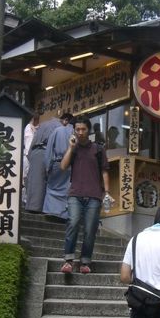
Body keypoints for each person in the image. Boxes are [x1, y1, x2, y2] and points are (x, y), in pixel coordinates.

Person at [59, 115, 111, 274]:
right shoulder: (73, 148)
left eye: (83, 129)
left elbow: (105, 171)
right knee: (73, 223)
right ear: (74, 130)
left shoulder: (98, 149)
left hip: (94, 195)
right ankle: (68, 260)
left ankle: (85, 261)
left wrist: (107, 192)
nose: (80, 132)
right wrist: (70, 147)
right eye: (77, 129)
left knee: (90, 229)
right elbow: (63, 166)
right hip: (75, 194)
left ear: (89, 130)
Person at [24, 114, 61, 212]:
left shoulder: (43, 125)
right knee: (45, 181)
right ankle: (42, 208)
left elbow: (33, 142)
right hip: (47, 151)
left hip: (35, 152)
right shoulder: (59, 126)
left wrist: (31, 155)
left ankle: (33, 207)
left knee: (35, 181)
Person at [42, 112, 74, 220]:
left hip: (57, 162)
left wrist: (47, 166)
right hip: (70, 164)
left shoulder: (57, 130)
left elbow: (49, 149)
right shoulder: (74, 132)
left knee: (52, 187)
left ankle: (51, 211)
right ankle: (63, 213)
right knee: (65, 189)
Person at [22, 112, 40, 184]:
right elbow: (28, 145)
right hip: (28, 156)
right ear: (34, 120)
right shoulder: (29, 128)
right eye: (38, 120)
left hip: (29, 155)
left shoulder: (31, 127)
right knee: (26, 178)